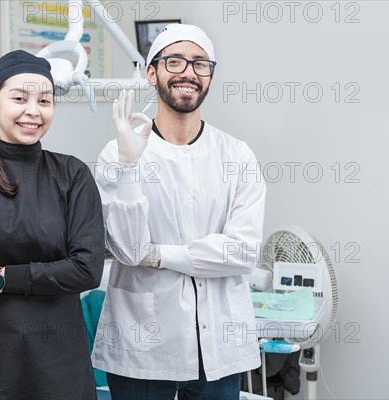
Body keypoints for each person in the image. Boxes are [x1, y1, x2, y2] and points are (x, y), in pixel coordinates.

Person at [91, 24, 266, 399]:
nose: (188, 72)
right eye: (174, 61)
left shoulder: (237, 156)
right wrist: (127, 170)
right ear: (152, 73)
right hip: (144, 348)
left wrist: (159, 255)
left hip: (219, 349)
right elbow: (127, 249)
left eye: (199, 63)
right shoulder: (118, 154)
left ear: (210, 77)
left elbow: (243, 252)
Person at [0, 50, 105, 400]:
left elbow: (87, 270)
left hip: (58, 359)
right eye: (19, 98)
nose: (33, 110)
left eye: (44, 100)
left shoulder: (72, 175)